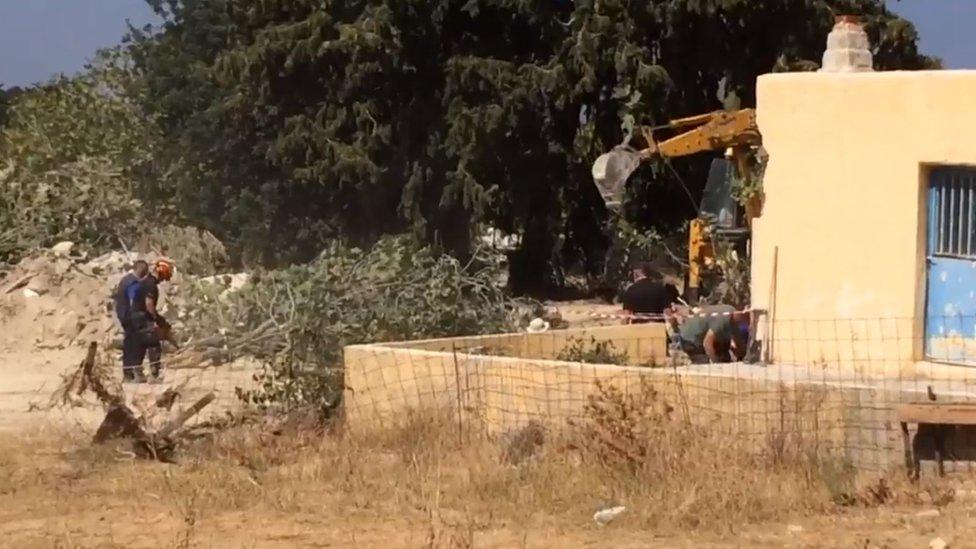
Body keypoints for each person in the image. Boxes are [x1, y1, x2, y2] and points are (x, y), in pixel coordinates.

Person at [129, 259, 175, 383]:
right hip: (142, 316)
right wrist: (157, 319)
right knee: (154, 344)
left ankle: (137, 374)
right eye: (165, 277)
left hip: (135, 316)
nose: (164, 280)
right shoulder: (151, 284)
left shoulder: (144, 282)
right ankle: (154, 376)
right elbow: (149, 304)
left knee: (140, 345)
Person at [672, 304, 751, 363]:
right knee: (705, 365)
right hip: (689, 339)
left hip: (700, 337)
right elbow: (707, 343)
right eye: (748, 319)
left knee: (725, 352)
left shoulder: (733, 318)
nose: (748, 323)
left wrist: (743, 357)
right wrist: (716, 363)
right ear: (742, 315)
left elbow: (738, 342)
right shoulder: (723, 318)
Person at [114, 260, 149, 382]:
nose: (146, 274)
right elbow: (133, 300)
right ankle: (136, 372)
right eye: (145, 271)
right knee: (137, 345)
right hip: (132, 317)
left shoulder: (125, 280)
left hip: (124, 315)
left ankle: (128, 373)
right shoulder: (133, 283)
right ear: (140, 269)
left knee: (129, 344)